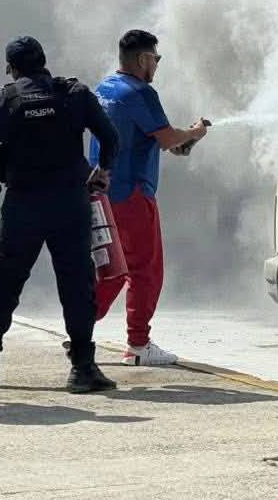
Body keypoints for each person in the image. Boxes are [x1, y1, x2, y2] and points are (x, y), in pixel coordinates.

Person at [0, 36, 121, 393]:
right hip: (70, 202)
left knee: (3, 279)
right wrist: (102, 172)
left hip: (24, 203)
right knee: (77, 282)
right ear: (45, 62)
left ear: (11, 68)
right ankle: (82, 369)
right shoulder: (74, 94)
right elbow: (110, 138)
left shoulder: (0, 99)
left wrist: (10, 173)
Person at [89, 29, 208, 366]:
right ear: (143, 59)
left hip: (101, 195)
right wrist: (195, 132)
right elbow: (169, 138)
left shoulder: (105, 89)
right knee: (146, 270)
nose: (157, 64)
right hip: (133, 196)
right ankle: (139, 345)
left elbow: (153, 140)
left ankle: (80, 328)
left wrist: (180, 142)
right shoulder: (141, 93)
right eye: (156, 58)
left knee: (111, 268)